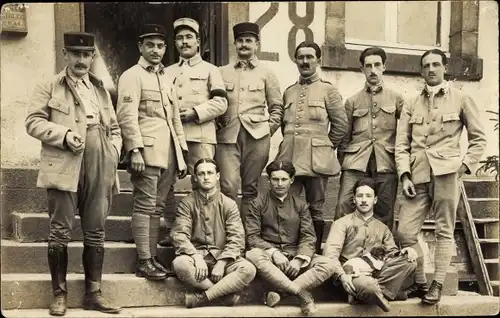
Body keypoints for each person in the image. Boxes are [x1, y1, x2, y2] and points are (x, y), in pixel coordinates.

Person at [25, 32, 122, 316]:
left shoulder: (101, 89)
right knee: (60, 230)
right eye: (76, 54)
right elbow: (33, 122)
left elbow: (114, 128)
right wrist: (64, 134)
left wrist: (112, 153)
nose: (82, 60)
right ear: (65, 54)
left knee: (96, 230)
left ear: (93, 57)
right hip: (64, 161)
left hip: (100, 161)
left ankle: (94, 294)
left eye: (87, 55)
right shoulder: (50, 86)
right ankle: (59, 295)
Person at [395, 48, 486, 305]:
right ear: (421, 71)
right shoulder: (412, 102)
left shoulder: (460, 98)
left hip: (447, 174)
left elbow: (479, 140)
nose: (431, 69)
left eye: (436, 64)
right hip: (417, 175)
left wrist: (463, 168)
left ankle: (437, 284)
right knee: (405, 232)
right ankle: (421, 283)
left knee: (444, 231)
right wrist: (404, 174)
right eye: (426, 65)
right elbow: (402, 144)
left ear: (445, 68)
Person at [116, 24, 188, 280]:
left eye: (160, 46)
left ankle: (153, 258)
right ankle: (143, 260)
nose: (155, 50)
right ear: (140, 47)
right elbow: (126, 117)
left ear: (165, 48)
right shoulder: (131, 76)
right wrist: (134, 150)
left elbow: (175, 118)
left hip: (168, 152)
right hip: (146, 151)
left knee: (157, 207)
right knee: (145, 205)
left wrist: (181, 152)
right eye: (150, 45)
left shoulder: (167, 78)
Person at [159, 17, 228, 247]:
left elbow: (221, 103)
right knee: (166, 184)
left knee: (203, 183)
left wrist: (195, 113)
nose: (184, 42)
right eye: (179, 38)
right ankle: (173, 228)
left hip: (200, 136)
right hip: (172, 138)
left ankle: (203, 232)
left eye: (189, 37)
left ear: (198, 42)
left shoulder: (211, 70)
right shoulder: (166, 72)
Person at [274, 41, 347, 253]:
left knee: (316, 207)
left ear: (318, 60)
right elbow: (284, 126)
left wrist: (324, 146)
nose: (305, 61)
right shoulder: (289, 92)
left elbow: (341, 125)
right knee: (290, 204)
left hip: (317, 161)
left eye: (310, 57)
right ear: (296, 60)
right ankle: (291, 248)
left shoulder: (328, 90)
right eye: (301, 57)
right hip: (290, 160)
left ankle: (313, 252)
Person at [245, 160, 336, 316]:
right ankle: (301, 293)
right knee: (252, 254)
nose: (279, 184)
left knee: (329, 264)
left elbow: (308, 236)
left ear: (292, 180)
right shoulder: (257, 204)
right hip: (270, 259)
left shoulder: (300, 205)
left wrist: (300, 259)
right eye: (275, 179)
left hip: (294, 256)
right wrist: (273, 252)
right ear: (268, 180)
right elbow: (252, 237)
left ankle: (280, 293)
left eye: (284, 179)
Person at [216, 22, 283, 221]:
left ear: (257, 44)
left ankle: (248, 235)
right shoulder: (221, 72)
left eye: (248, 41)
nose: (244, 45)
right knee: (228, 185)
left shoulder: (267, 73)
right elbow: (215, 103)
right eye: (240, 41)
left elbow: (277, 108)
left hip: (257, 138)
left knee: (251, 188)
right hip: (227, 136)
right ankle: (229, 233)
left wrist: (266, 130)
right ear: (234, 44)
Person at [171, 158, 256, 308]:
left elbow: (237, 238)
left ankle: (203, 297)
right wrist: (196, 257)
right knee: (180, 264)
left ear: (217, 176)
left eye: (210, 173)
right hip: (196, 257)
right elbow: (179, 235)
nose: (206, 177)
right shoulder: (187, 203)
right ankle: (223, 296)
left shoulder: (228, 204)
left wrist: (222, 262)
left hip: (223, 256)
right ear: (195, 178)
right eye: (201, 173)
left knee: (248, 269)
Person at [323, 178, 417, 312]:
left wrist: (404, 251)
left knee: (410, 261)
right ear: (354, 199)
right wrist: (342, 276)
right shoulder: (342, 223)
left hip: (377, 274)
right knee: (368, 285)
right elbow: (330, 255)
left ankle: (365, 295)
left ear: (375, 200)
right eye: (360, 196)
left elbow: (391, 254)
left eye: (368, 196)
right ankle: (383, 293)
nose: (364, 200)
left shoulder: (382, 227)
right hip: (352, 276)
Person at [336, 47, 403, 229]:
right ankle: (344, 249)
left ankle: (380, 253)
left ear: (384, 67)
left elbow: (405, 134)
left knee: (384, 209)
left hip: (386, 162)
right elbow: (344, 136)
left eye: (377, 65)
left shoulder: (397, 99)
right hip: (356, 161)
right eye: (368, 66)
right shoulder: (352, 101)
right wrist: (345, 161)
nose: (373, 70)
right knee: (344, 204)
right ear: (362, 69)